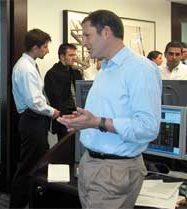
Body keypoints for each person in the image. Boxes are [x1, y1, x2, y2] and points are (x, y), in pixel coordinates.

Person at [57, 10, 162, 209]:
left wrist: (97, 122)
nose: (83, 42)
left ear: (106, 32)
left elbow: (148, 127)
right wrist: (83, 122)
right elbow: (108, 114)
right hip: (94, 165)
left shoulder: (140, 69)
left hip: (114, 171)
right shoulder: (106, 69)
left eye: (87, 35)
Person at [10, 28, 60, 208]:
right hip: (32, 120)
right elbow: (34, 102)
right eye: (45, 47)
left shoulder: (29, 65)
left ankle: (31, 203)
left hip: (34, 121)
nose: (47, 51)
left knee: (36, 165)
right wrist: (52, 112)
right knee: (28, 168)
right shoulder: (25, 68)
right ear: (35, 47)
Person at [44, 43, 83, 142]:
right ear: (62, 56)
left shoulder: (76, 72)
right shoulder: (52, 74)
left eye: (75, 55)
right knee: (65, 150)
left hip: (78, 117)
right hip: (64, 119)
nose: (74, 58)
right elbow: (55, 100)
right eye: (71, 55)